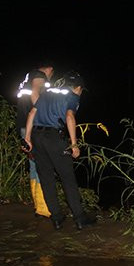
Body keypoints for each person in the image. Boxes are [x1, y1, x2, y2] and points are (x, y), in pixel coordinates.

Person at [23, 71, 95, 231]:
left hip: (37, 137)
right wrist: (74, 145)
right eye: (81, 90)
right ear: (77, 88)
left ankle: (56, 218)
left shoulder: (47, 93)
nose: (80, 93)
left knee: (47, 178)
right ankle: (80, 218)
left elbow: (32, 113)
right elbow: (70, 116)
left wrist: (27, 138)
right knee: (67, 177)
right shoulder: (73, 97)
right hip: (55, 139)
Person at [16, 61, 54, 218]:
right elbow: (35, 95)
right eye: (51, 74)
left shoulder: (27, 77)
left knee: (33, 165)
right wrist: (44, 116)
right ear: (49, 69)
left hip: (23, 126)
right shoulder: (39, 76)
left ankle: (39, 206)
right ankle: (45, 208)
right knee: (42, 165)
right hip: (33, 127)